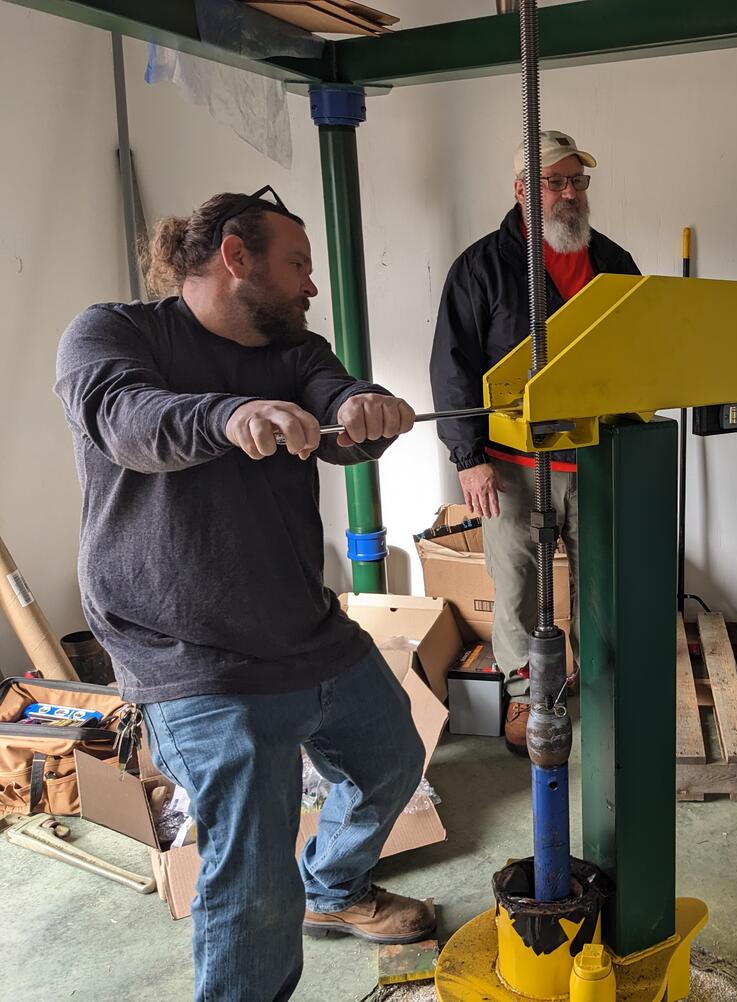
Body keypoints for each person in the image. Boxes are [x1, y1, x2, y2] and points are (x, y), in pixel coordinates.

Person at [53, 189, 434, 1002]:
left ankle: (331, 889)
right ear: (236, 256)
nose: (310, 286)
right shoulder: (113, 333)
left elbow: (335, 401)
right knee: (254, 873)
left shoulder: (296, 350)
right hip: (191, 655)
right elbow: (126, 418)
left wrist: (360, 409)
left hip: (306, 629)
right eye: (297, 264)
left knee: (392, 760)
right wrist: (230, 416)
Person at [430, 131, 639, 752]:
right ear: (524, 190)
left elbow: (638, 348)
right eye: (556, 182)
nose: (570, 193)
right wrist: (468, 460)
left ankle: (603, 691)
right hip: (512, 467)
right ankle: (529, 698)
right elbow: (452, 368)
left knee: (604, 583)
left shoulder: (612, 262)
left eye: (577, 182)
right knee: (518, 588)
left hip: (596, 458)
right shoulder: (481, 268)